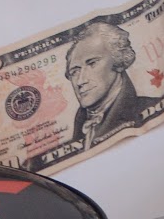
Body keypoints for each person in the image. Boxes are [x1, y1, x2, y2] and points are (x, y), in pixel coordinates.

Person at [63, 21, 156, 149]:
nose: (80, 81)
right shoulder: (79, 128)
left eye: (92, 63)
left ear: (118, 60)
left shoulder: (149, 109)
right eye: (75, 72)